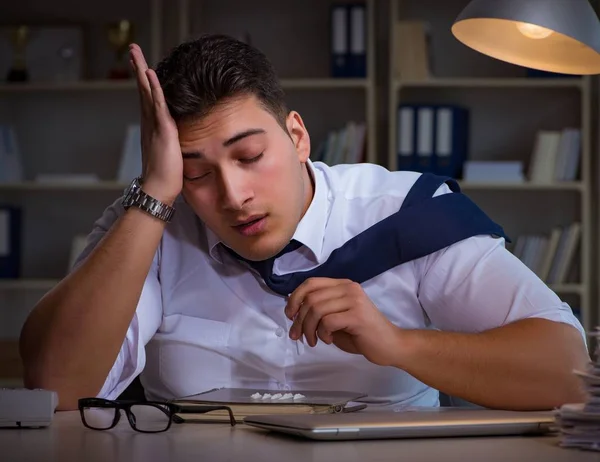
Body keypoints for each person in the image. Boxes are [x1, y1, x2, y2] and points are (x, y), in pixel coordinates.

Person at [19, 35, 588, 412]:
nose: (233, 195)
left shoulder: (404, 213)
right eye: (196, 173)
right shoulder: (149, 221)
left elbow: (566, 372)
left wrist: (397, 344)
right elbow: (58, 390)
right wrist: (158, 191)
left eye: (248, 157)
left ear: (296, 136)